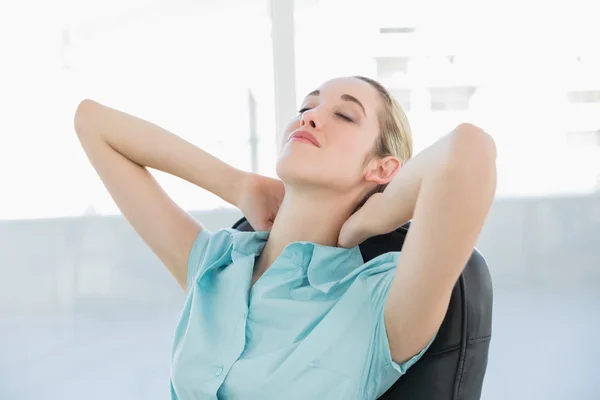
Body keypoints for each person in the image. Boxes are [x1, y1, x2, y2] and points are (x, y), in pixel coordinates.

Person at [73, 76, 497, 399]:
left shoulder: (379, 303)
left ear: (383, 169)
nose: (309, 117)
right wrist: (236, 184)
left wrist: (375, 216)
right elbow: (92, 122)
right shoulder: (215, 265)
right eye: (307, 106)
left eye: (344, 115)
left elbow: (469, 151)